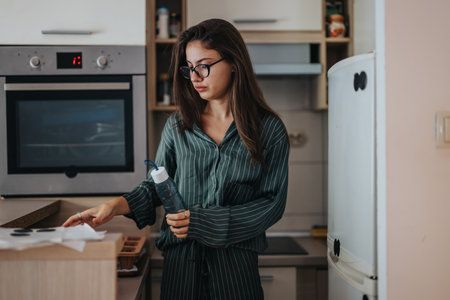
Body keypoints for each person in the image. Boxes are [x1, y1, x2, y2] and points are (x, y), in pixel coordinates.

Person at [63, 18, 289, 300]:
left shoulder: (269, 130)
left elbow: (271, 205)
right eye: (190, 68)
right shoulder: (177, 126)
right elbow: (157, 186)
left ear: (234, 62)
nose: (195, 77)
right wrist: (114, 206)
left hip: (236, 272)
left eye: (204, 66)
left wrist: (203, 222)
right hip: (181, 269)